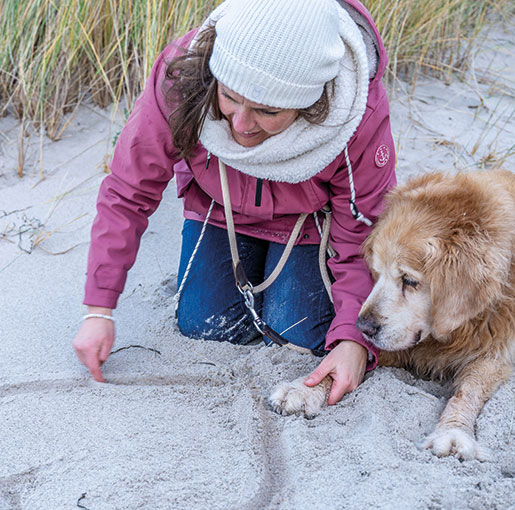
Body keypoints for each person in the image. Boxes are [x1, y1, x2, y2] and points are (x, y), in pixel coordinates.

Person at [73, 0, 396, 406]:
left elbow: (363, 233)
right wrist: (99, 309)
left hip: (307, 224)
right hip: (219, 209)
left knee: (301, 333)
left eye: (268, 110)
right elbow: (128, 190)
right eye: (229, 97)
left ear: (312, 103)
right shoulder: (183, 75)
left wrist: (353, 339)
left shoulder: (355, 111)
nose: (241, 125)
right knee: (204, 325)